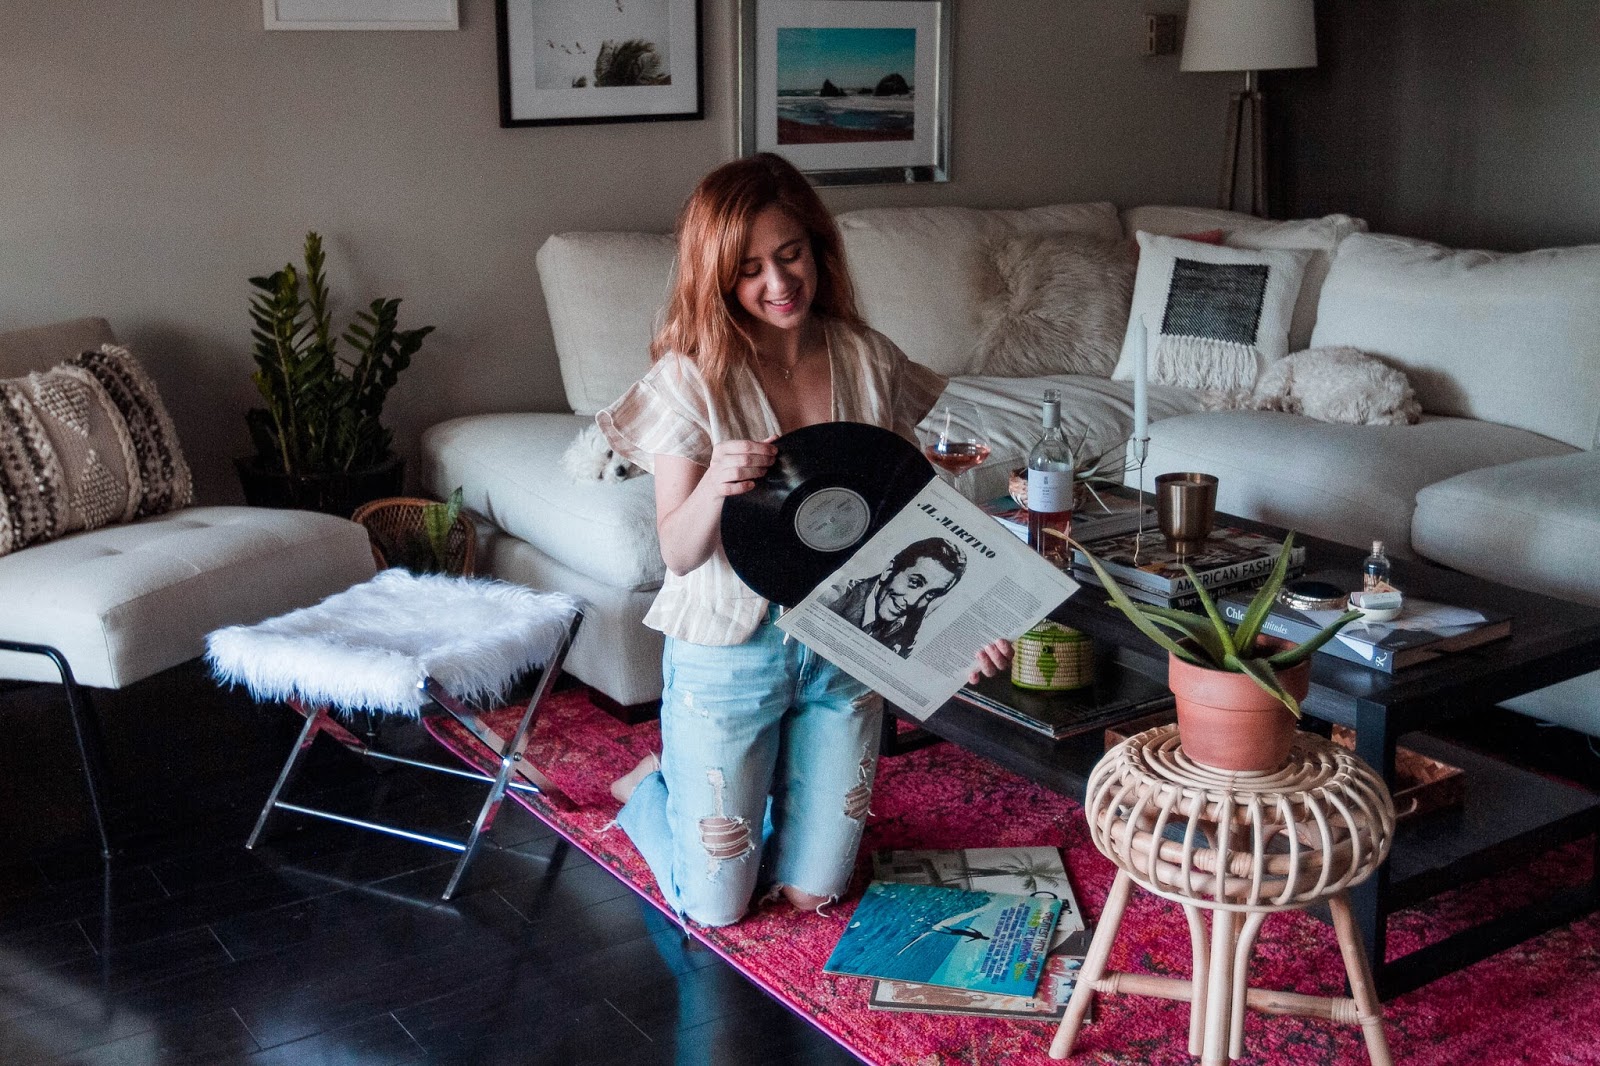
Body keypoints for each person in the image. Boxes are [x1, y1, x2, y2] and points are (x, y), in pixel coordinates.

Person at [596, 152, 1012, 928]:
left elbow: (911, 511)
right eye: (749, 268)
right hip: (729, 652)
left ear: (819, 248)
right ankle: (652, 788)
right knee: (716, 907)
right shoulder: (690, 377)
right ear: (718, 276)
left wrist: (968, 629)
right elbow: (679, 554)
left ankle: (746, 789)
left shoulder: (867, 358)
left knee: (815, 894)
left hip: (846, 646)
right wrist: (717, 482)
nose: (779, 282)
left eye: (791, 255)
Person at [824, 537, 967, 658]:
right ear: (889, 570)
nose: (912, 601)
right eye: (915, 582)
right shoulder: (833, 598)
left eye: (931, 594)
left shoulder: (909, 635)